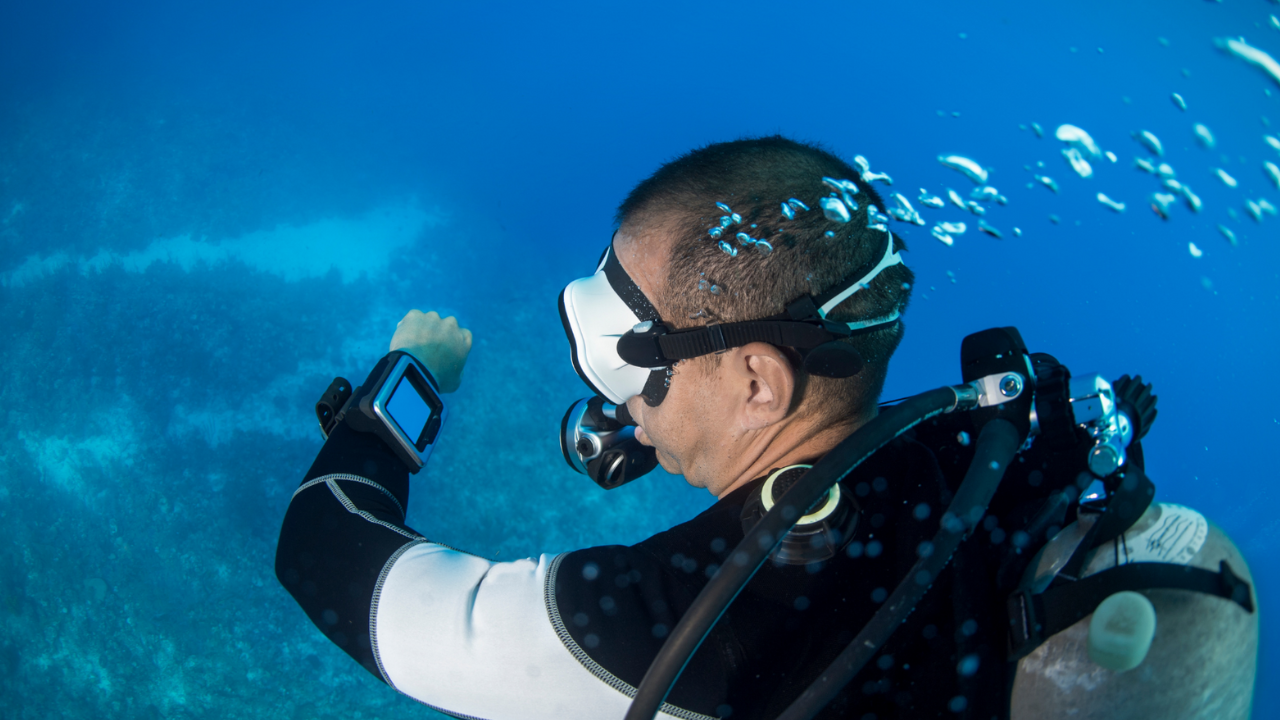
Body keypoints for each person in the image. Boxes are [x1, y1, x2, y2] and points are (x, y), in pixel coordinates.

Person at [275, 137, 1257, 719]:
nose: (615, 403)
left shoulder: (708, 614)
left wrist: (394, 400)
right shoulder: (973, 449)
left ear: (757, 381)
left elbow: (328, 557)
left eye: (628, 355)